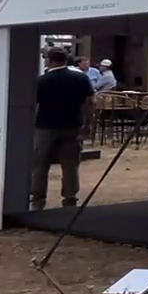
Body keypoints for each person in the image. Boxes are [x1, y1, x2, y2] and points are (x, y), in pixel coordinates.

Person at [32, 49, 94, 210]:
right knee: (70, 165)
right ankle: (70, 198)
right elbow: (89, 103)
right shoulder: (81, 78)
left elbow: (34, 105)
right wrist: (88, 125)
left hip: (46, 126)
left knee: (40, 164)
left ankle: (38, 199)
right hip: (72, 125)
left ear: (49, 60)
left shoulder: (42, 80)